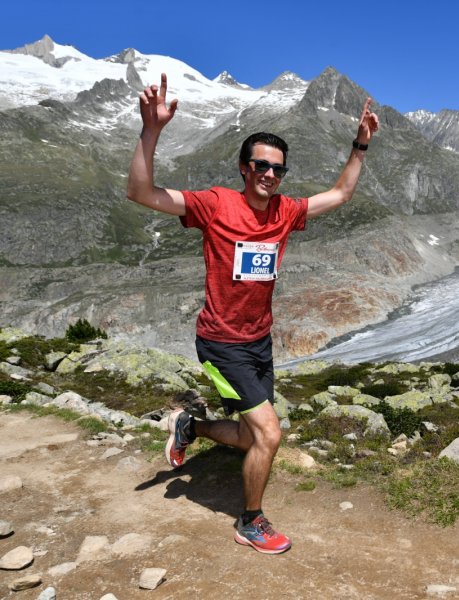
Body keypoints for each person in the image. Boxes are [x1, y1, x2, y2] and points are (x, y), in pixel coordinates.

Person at [127, 73, 379, 554]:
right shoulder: (215, 203)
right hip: (222, 343)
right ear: (244, 167)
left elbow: (340, 194)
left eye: (277, 168)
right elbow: (142, 193)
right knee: (269, 433)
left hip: (259, 341)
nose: (269, 173)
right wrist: (151, 130)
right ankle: (250, 520)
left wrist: (360, 146)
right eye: (260, 164)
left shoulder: (285, 211)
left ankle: (191, 427)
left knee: (248, 435)